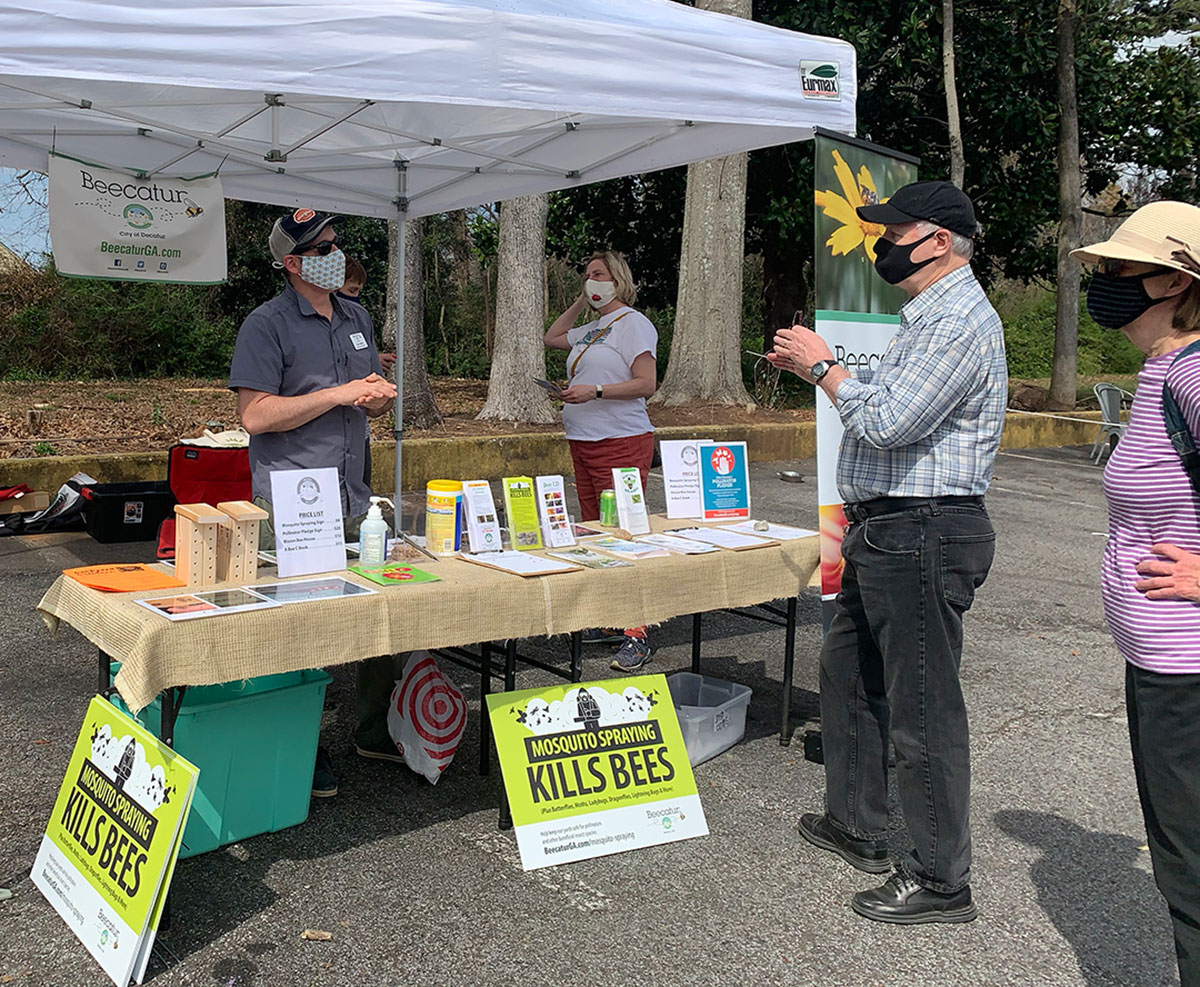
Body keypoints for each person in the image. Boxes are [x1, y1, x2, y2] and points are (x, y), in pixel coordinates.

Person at [768, 180, 1007, 924]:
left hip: (925, 529)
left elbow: (890, 421)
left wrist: (821, 366)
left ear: (937, 239)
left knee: (923, 707)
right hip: (887, 527)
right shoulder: (928, 316)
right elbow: (887, 405)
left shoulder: (959, 321)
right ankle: (859, 822)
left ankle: (941, 878)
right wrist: (832, 373)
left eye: (894, 229)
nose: (883, 241)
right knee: (848, 674)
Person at [228, 208, 400, 799]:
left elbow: (364, 392)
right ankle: (302, 743)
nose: (336, 250)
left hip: (357, 494)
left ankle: (375, 728)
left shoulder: (357, 316)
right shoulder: (265, 324)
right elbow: (254, 415)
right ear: (293, 262)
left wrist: (374, 397)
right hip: (294, 501)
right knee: (297, 631)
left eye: (336, 240)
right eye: (323, 245)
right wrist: (340, 394)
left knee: (381, 612)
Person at [1074, 201, 1200, 986]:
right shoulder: (1164, 371)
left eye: (1119, 268)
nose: (1104, 282)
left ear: (1173, 279)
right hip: (1163, 657)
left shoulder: (1192, 371)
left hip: (1187, 665)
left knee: (1189, 864)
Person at [544, 250, 658, 672]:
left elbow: (646, 382)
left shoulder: (633, 324)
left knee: (623, 531)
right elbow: (553, 337)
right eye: (587, 275)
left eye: (599, 275)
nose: (592, 281)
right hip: (583, 439)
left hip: (622, 440)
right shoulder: (593, 328)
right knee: (594, 531)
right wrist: (581, 300)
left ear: (618, 280)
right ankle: (612, 617)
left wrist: (594, 392)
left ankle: (637, 629)